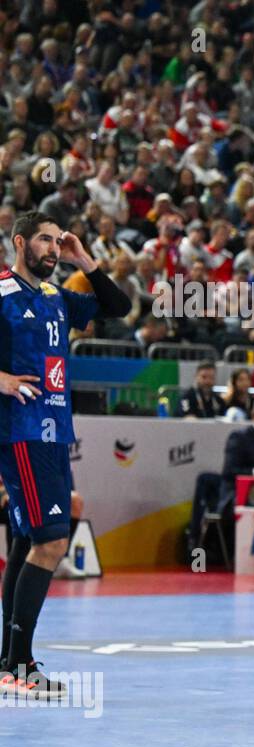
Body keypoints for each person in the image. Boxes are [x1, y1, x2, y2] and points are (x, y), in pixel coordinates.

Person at [0, 211, 131, 696]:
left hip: (54, 433)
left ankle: (8, 664)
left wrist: (85, 259)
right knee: (52, 541)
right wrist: (3, 381)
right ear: (19, 242)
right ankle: (19, 666)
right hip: (21, 430)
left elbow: (118, 306)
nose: (54, 249)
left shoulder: (57, 297)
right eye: (44, 241)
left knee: (27, 540)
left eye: (58, 242)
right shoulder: (2, 292)